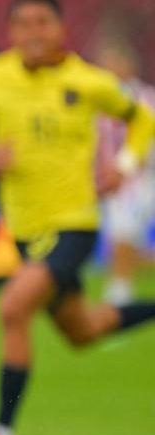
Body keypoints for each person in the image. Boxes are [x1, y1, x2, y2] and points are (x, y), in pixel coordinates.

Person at [0, 0, 155, 435]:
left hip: (75, 224)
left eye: (42, 22)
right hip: (26, 230)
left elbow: (142, 118)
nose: (32, 31)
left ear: (61, 28)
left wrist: (123, 166)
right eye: (22, 23)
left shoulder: (88, 81)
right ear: (11, 31)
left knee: (12, 307)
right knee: (84, 330)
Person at [94, 41, 155, 305]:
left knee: (125, 231)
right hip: (113, 180)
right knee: (123, 233)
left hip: (144, 177)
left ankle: (119, 291)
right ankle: (120, 290)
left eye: (112, 62)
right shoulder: (98, 101)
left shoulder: (147, 97)